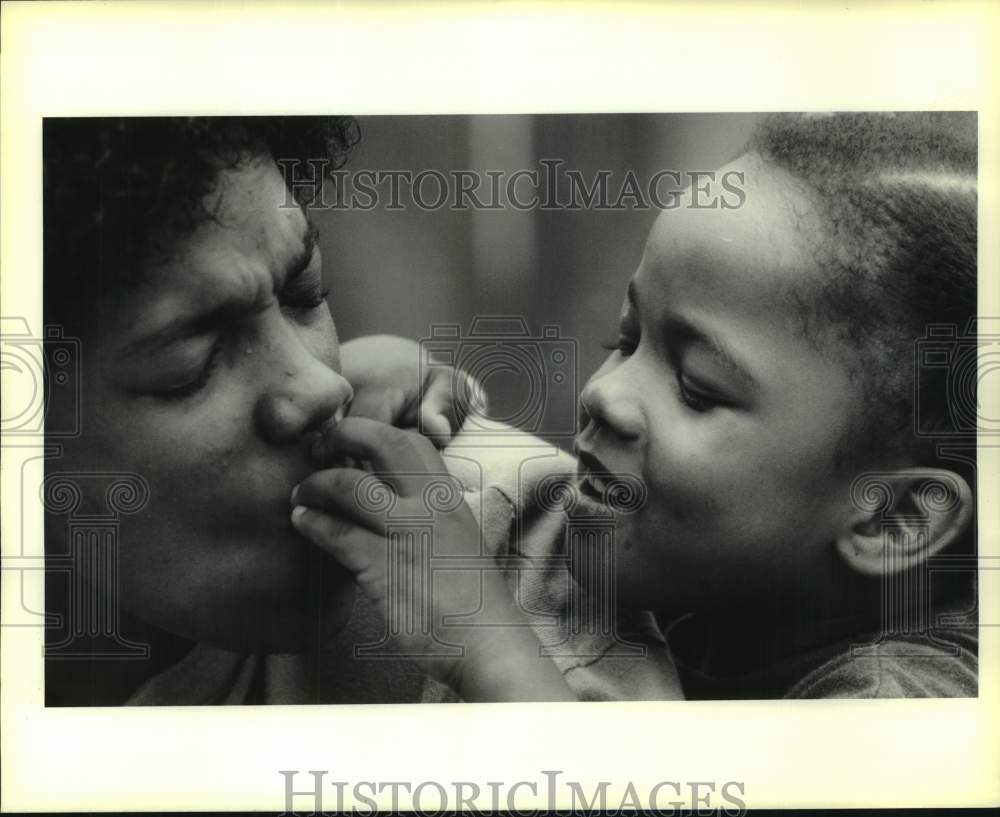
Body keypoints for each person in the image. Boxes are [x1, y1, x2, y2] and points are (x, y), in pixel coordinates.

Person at [294, 111, 979, 700]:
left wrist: (486, 640)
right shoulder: (709, 577)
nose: (605, 393)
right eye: (624, 340)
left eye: (698, 388)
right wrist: (391, 386)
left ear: (894, 518)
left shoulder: (915, 708)